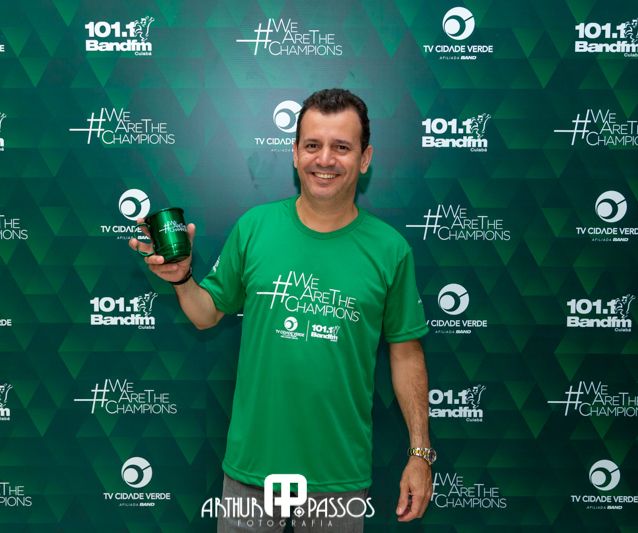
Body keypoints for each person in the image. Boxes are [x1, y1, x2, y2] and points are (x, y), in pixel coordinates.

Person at [130, 89, 434, 532]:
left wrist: (420, 453)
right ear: (294, 154)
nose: (324, 159)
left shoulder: (391, 250)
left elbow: (406, 353)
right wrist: (181, 278)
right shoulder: (255, 228)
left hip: (338, 478)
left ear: (365, 158)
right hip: (251, 472)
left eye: (341, 147)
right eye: (312, 145)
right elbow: (205, 314)